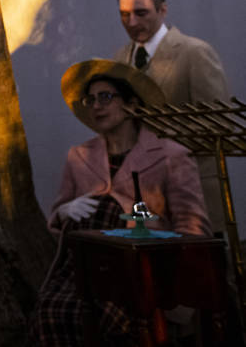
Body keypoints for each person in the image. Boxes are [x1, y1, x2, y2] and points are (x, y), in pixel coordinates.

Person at [31, 60, 210, 345]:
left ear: (132, 106)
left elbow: (193, 227)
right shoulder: (78, 156)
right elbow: (57, 220)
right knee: (54, 311)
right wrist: (64, 212)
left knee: (106, 319)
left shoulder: (171, 154)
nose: (96, 106)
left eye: (106, 97)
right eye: (90, 99)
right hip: (84, 269)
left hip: (141, 269)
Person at [114, 0, 230, 234]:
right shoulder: (120, 60)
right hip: (143, 193)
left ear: (162, 9)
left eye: (141, 13)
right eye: (124, 15)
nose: (132, 23)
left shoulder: (194, 53)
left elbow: (219, 123)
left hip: (193, 185)